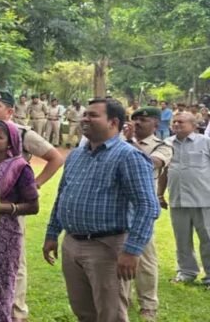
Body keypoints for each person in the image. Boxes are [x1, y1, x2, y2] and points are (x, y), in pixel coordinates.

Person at [43, 98, 159, 322]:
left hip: (108, 247)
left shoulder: (129, 157)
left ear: (113, 122)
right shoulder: (76, 155)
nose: (85, 118)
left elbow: (148, 206)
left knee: (110, 314)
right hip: (72, 243)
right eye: (85, 114)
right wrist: (51, 234)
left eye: (93, 115)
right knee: (84, 312)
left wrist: (132, 250)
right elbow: (62, 196)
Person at [0, 90, 63, 322]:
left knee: (13, 263)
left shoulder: (21, 133)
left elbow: (55, 157)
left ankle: (16, 311)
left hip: (10, 210)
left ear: (10, 111)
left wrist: (34, 184)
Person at [0, 120, 39, 322]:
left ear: (10, 142)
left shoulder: (20, 167)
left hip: (4, 234)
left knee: (0, 284)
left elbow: (33, 206)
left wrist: (1, 208)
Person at [123, 107, 173, 321]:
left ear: (155, 123)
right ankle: (123, 299)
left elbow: (148, 164)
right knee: (117, 253)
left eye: (143, 120)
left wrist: (128, 144)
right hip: (118, 206)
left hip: (142, 207)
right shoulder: (119, 142)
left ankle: (148, 304)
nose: (137, 123)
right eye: (135, 119)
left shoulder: (162, 146)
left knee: (145, 257)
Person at [164, 112, 210, 286]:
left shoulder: (205, 142)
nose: (176, 124)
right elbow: (163, 173)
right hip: (178, 198)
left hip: (204, 199)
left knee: (208, 238)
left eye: (181, 122)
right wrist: (160, 194)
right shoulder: (167, 144)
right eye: (174, 122)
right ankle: (186, 272)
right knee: (182, 239)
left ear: (193, 125)